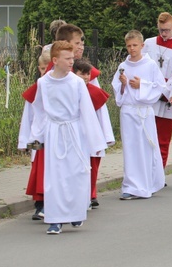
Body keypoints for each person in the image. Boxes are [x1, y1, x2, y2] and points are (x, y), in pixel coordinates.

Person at [24, 41, 107, 235]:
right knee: (55, 176)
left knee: (76, 173)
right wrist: (35, 140)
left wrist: (94, 141)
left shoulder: (76, 82)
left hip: (74, 131)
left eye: (72, 58)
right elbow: (40, 113)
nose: (72, 62)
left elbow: (86, 111)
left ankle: (76, 212)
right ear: (55, 60)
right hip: (54, 132)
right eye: (68, 58)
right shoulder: (43, 83)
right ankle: (55, 219)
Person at [112, 30, 167, 201]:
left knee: (145, 147)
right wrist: (123, 85)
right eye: (128, 46)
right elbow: (118, 91)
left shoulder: (150, 65)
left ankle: (147, 183)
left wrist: (141, 84)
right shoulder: (123, 65)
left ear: (142, 46)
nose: (132, 49)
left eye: (135, 45)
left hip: (143, 112)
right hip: (128, 111)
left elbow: (160, 87)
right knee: (130, 148)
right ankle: (131, 185)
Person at [141, 12, 172, 168]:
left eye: (166, 30)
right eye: (161, 30)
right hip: (150, 95)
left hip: (166, 97)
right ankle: (146, 171)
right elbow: (142, 66)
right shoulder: (149, 43)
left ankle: (159, 172)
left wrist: (168, 92)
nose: (164, 33)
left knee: (163, 139)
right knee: (147, 137)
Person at [73, 58, 115, 209]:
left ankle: (90, 194)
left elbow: (102, 116)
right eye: (81, 73)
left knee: (92, 166)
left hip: (92, 135)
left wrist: (106, 137)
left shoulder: (95, 92)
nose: (85, 77)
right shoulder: (69, 89)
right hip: (75, 135)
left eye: (88, 74)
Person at [18, 50, 51, 221]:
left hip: (57, 135)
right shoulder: (36, 88)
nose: (46, 72)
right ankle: (40, 205)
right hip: (39, 136)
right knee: (39, 172)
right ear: (39, 69)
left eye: (49, 68)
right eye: (44, 69)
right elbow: (28, 116)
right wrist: (25, 141)